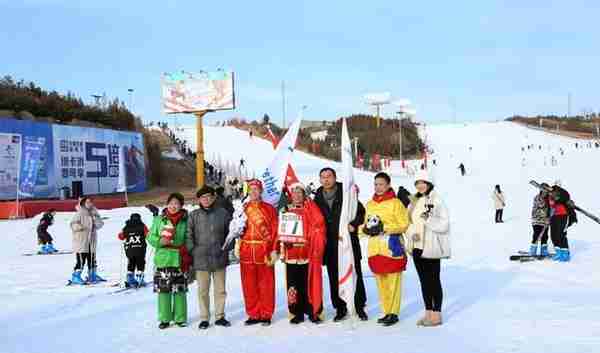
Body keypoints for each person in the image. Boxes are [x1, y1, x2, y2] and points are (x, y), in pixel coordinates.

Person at [313, 167, 367, 322]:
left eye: (329, 176)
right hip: (329, 245)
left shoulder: (347, 193)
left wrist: (354, 224)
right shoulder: (317, 197)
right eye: (323, 177)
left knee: (354, 273)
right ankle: (340, 308)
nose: (326, 179)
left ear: (335, 177)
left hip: (347, 242)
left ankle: (359, 306)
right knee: (333, 277)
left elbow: (361, 212)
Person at [361, 172, 409, 327]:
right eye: (376, 184)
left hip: (391, 246)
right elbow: (364, 225)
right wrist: (364, 230)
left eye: (381, 184)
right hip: (375, 248)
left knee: (393, 281)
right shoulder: (369, 204)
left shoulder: (395, 203)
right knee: (381, 282)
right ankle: (386, 310)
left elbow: (404, 224)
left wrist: (385, 228)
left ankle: (393, 312)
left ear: (388, 185)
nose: (378, 187)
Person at [405, 170, 450, 327]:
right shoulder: (414, 201)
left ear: (429, 183)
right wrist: (412, 234)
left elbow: (444, 224)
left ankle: (436, 315)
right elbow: (407, 222)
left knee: (434, 280)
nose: (420, 186)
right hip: (417, 246)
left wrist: (429, 219)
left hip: (431, 246)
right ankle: (428, 313)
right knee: (424, 281)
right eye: (417, 183)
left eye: (423, 182)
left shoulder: (437, 200)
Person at [278, 183, 327, 324]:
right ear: (290, 195)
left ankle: (313, 311)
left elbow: (318, 225)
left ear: (304, 194)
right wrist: (282, 244)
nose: (297, 196)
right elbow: (279, 230)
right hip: (291, 253)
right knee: (293, 285)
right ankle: (296, 312)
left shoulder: (310, 209)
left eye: (300, 193)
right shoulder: (285, 210)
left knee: (309, 284)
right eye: (294, 193)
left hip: (307, 252)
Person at [186, 186, 233, 330]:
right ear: (199, 200)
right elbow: (188, 235)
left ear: (213, 198)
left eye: (208, 197)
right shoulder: (194, 215)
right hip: (201, 259)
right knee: (203, 291)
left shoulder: (223, 213)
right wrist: (193, 250)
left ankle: (220, 316)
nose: (206, 200)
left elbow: (230, 232)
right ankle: (204, 318)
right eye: (202, 197)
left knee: (220, 290)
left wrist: (227, 248)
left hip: (219, 256)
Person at [237, 179, 279, 326]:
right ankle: (253, 314)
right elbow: (238, 229)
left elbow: (274, 231)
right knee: (249, 284)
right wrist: (238, 243)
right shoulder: (243, 209)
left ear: (261, 191)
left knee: (266, 284)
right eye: (251, 189)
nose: (254, 192)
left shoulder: (269, 209)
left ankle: (266, 313)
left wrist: (274, 250)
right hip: (247, 250)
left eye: (256, 189)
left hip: (264, 250)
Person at [147, 193, 191, 329]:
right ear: (167, 204)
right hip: (163, 259)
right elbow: (150, 236)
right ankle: (165, 318)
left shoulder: (186, 220)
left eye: (176, 204)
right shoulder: (159, 220)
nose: (173, 206)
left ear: (181, 206)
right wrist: (160, 241)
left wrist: (187, 249)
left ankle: (180, 318)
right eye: (171, 203)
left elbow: (189, 237)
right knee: (164, 290)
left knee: (180, 291)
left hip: (180, 258)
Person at [69, 197, 105, 284]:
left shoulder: (94, 212)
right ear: (83, 203)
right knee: (81, 260)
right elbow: (73, 224)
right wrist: (81, 227)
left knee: (92, 259)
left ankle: (92, 275)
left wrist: (95, 218)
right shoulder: (80, 213)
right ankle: (76, 276)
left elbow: (100, 224)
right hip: (82, 241)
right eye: (87, 202)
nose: (89, 204)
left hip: (91, 241)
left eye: (91, 202)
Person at [117, 213, 149, 287]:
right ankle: (140, 277)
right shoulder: (142, 226)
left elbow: (121, 236)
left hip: (129, 249)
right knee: (140, 262)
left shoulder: (126, 226)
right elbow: (148, 234)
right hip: (140, 248)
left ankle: (130, 277)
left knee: (131, 262)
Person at [548, 184, 577, 262]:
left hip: (563, 216)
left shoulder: (563, 195)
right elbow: (550, 206)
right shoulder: (549, 196)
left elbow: (566, 196)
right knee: (553, 235)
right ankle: (559, 253)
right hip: (554, 217)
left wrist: (556, 195)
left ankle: (565, 254)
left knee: (561, 234)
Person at [529, 184, 550, 256]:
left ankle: (543, 250)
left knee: (545, 236)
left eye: (547, 191)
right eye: (544, 190)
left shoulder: (549, 198)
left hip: (545, 221)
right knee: (536, 235)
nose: (546, 192)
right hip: (537, 219)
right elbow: (541, 205)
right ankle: (533, 250)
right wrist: (546, 199)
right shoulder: (537, 197)